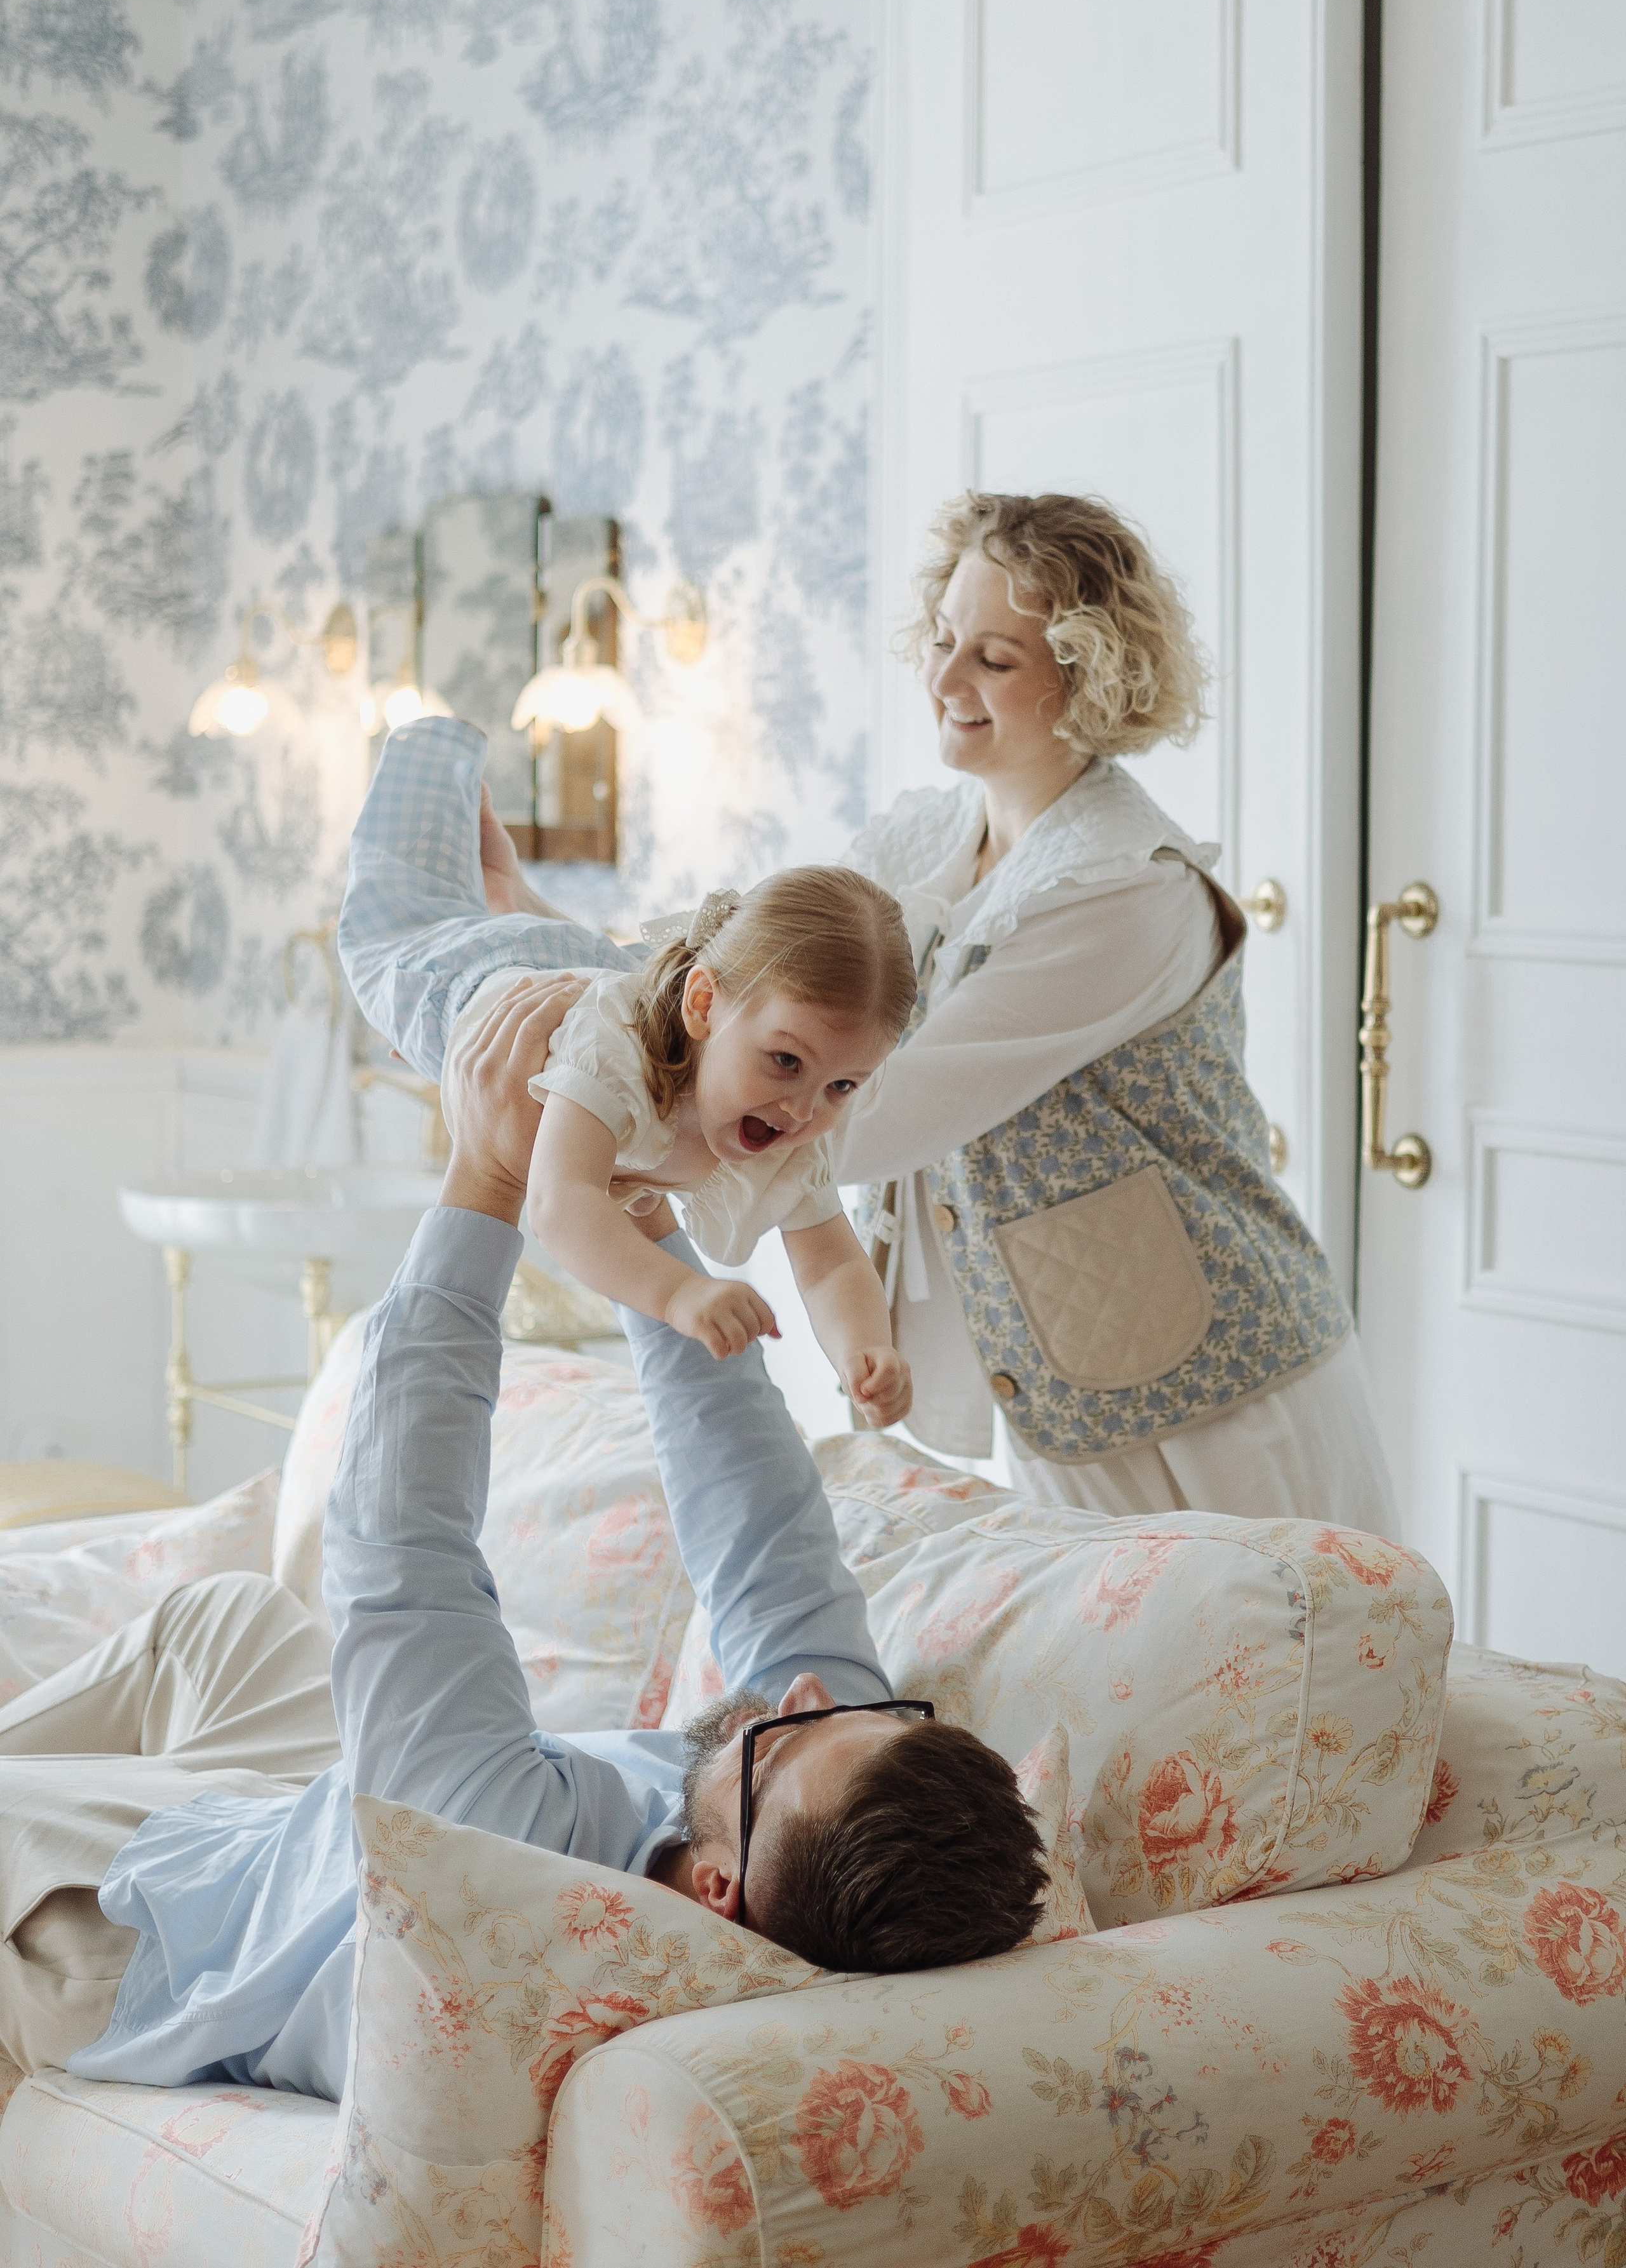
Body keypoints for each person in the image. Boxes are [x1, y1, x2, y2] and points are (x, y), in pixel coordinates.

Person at [0, 981, 1044, 2100]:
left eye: (778, 1749)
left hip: (172, 1941)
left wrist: (484, 1183)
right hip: (298, 1818)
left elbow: (403, 1564)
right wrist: (652, 1235)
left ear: (716, 1891)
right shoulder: (828, 1770)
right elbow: (767, 1538)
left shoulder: (502, 1865)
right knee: (230, 1618)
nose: (793, 1702)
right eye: (845, 1716)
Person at [832, 490, 1401, 1533]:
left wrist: (638, 1114)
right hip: (1073, 1374)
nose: (945, 678)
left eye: (995, 659)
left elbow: (870, 1118)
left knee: (1297, 1680)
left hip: (1228, 1400)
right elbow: (744, 974)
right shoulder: (928, 845)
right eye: (947, 639)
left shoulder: (1119, 888)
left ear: (1086, 676)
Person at [339, 716, 914, 1428]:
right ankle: (429, 753)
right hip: (482, 986)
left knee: (610, 971)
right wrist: (677, 1294)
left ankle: (506, 887)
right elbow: (560, 1201)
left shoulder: (789, 1126)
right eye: (786, 1061)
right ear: (704, 1005)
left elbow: (830, 1263)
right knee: (391, 924)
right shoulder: (611, 1054)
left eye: (842, 1086)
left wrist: (866, 1349)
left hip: (599, 975)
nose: (803, 1108)